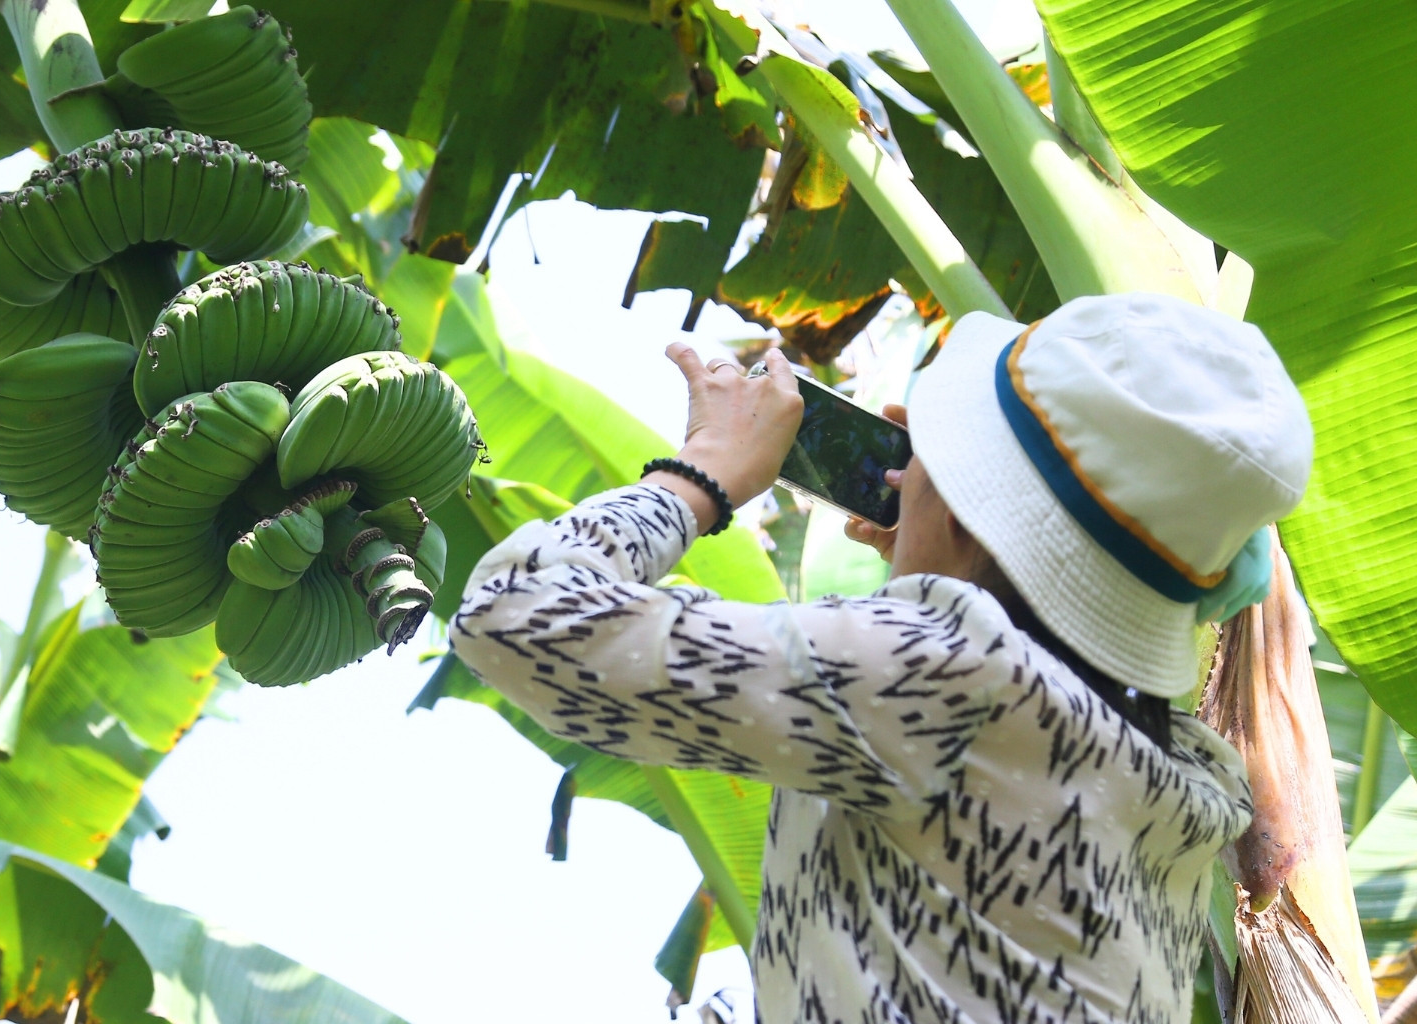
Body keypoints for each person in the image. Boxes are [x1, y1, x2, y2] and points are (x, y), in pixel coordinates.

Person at [450, 293, 1313, 1024]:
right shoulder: (1182, 778)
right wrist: (950, 554)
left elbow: (512, 613)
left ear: (978, 514)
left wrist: (700, 475)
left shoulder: (942, 680)